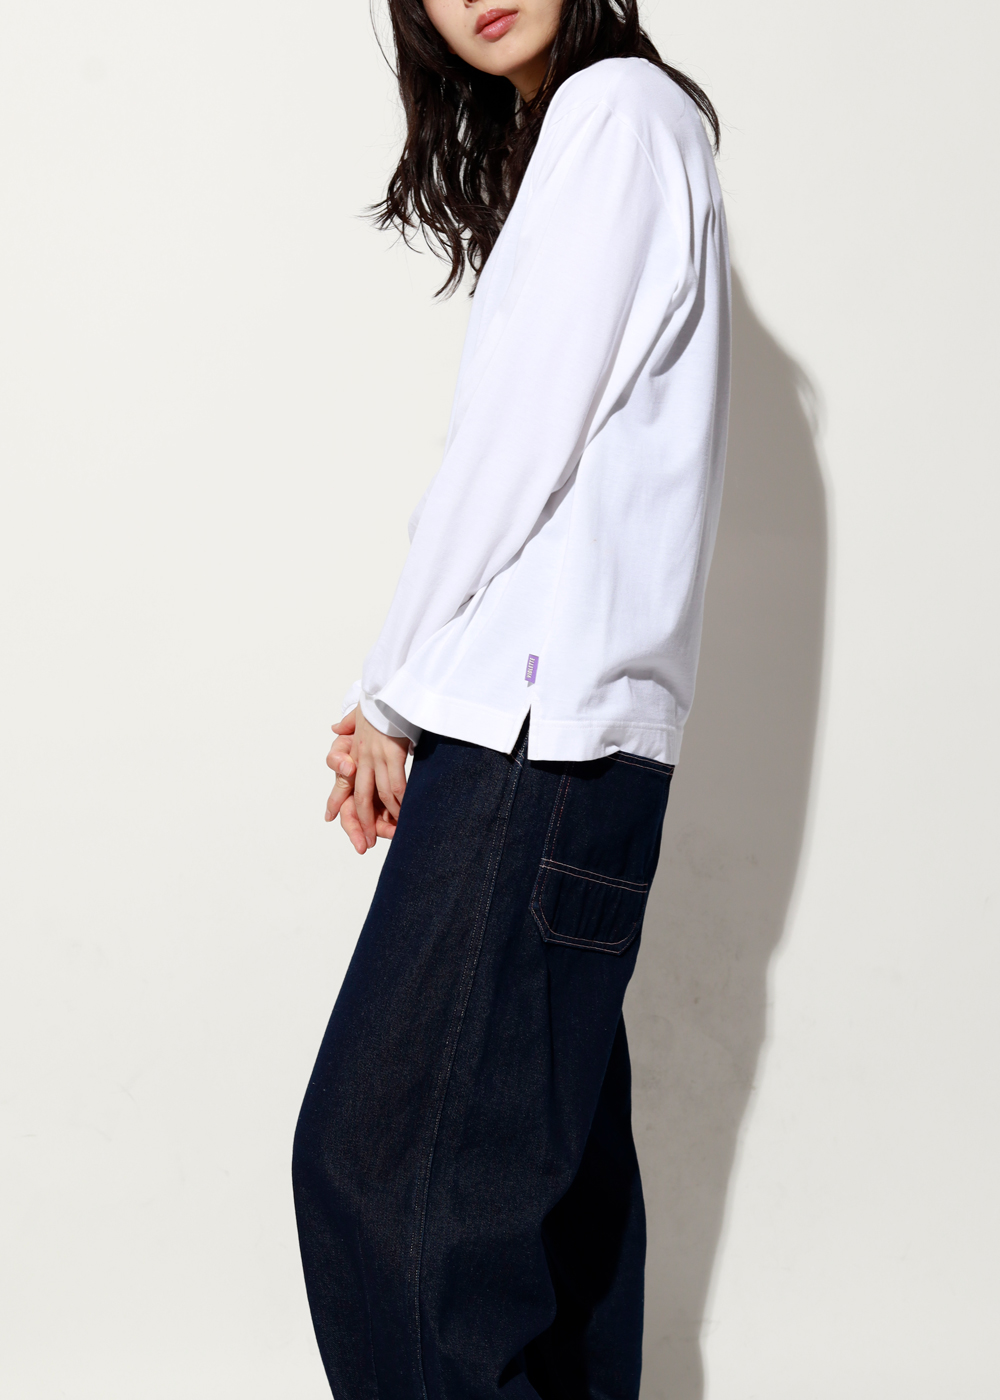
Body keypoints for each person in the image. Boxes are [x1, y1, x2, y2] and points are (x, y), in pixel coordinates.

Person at [291, 1, 729, 1396]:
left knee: (383, 1176)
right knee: (552, 1213)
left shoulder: (613, 115)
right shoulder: (622, 128)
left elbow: (510, 447)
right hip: (572, 746)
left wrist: (390, 697)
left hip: (534, 745)